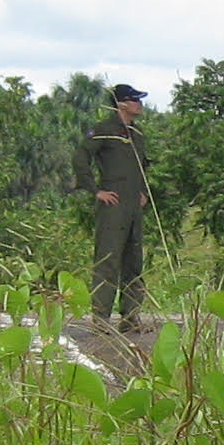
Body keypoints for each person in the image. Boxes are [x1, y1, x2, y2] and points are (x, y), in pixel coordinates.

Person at [87, 84, 149, 324]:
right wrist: (96, 191)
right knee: (108, 261)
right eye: (134, 100)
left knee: (133, 261)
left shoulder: (137, 134)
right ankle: (101, 318)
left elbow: (142, 166)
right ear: (121, 104)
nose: (139, 104)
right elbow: (80, 158)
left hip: (133, 205)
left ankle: (131, 317)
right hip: (113, 204)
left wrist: (143, 191)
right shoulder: (103, 131)